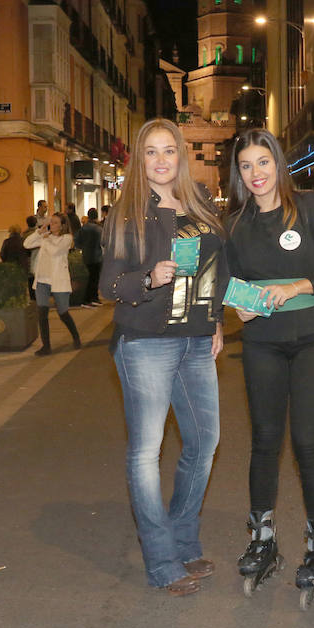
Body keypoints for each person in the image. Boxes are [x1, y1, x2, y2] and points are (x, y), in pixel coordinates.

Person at [224, 128, 314, 604]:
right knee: (263, 440)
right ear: (238, 174)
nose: (256, 174)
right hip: (262, 342)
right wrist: (239, 305)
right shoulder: (236, 223)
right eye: (246, 166)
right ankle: (263, 539)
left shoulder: (310, 208)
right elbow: (230, 279)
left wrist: (297, 287)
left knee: (306, 442)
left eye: (263, 162)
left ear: (278, 163)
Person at [100, 118, 228, 596]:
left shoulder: (201, 205)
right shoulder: (128, 213)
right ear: (140, 159)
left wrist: (216, 321)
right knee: (145, 453)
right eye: (150, 152)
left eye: (168, 150)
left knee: (204, 442)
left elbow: (215, 271)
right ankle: (161, 560)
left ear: (181, 155)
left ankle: (183, 537)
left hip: (196, 341)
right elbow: (108, 284)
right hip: (145, 341)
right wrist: (149, 277)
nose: (160, 160)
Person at [23, 212, 81, 356]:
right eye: (51, 222)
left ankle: (76, 337)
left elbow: (55, 251)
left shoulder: (67, 238)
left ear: (62, 226)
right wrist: (40, 231)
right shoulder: (45, 236)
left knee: (63, 313)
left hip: (58, 281)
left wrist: (46, 239)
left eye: (55, 223)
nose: (52, 225)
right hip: (42, 280)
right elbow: (27, 244)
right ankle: (46, 346)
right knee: (42, 313)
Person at [76, 207, 103, 307]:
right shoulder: (98, 229)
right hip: (96, 256)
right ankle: (90, 298)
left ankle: (92, 298)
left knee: (91, 278)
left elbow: (77, 242)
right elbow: (103, 242)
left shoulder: (83, 228)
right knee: (94, 278)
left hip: (86, 256)